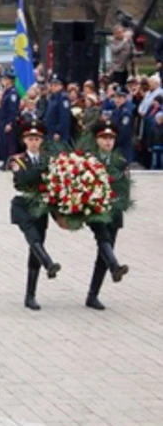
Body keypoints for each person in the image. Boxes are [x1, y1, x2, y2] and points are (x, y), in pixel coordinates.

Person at [8, 120, 62, 311]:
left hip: (41, 205)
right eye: (30, 139)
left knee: (35, 249)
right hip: (23, 204)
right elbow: (23, 179)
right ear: (24, 140)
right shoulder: (17, 159)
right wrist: (42, 169)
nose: (33, 142)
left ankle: (30, 295)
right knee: (33, 238)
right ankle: (49, 264)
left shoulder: (48, 158)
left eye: (37, 139)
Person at [85, 119, 130, 310]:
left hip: (114, 212)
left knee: (104, 250)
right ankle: (115, 266)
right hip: (94, 211)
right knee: (103, 239)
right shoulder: (88, 160)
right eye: (104, 138)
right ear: (97, 140)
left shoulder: (120, 162)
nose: (108, 142)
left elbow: (125, 189)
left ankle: (93, 295)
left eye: (111, 138)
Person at [0, 69, 20, 170]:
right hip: (3, 121)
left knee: (9, 144)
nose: (3, 81)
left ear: (9, 80)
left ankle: (9, 163)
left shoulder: (13, 93)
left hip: (8, 122)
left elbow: (13, 110)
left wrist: (10, 123)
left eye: (5, 79)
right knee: (4, 143)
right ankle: (5, 162)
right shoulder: (7, 91)